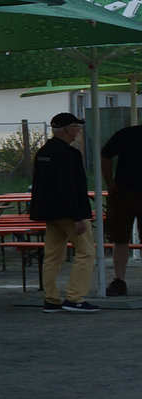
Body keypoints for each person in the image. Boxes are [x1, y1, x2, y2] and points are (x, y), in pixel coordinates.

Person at [32, 112, 100, 313]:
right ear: (66, 130)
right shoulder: (70, 154)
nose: (77, 131)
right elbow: (70, 187)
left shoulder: (43, 152)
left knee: (52, 256)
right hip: (71, 213)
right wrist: (78, 216)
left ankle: (51, 299)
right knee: (86, 252)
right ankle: (75, 297)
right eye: (75, 127)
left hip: (50, 213)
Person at [99, 117, 142, 296]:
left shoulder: (126, 133)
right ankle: (119, 280)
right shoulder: (126, 134)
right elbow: (105, 154)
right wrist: (109, 182)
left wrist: (109, 182)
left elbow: (105, 155)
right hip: (124, 191)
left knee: (120, 238)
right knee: (120, 237)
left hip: (123, 190)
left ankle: (119, 280)